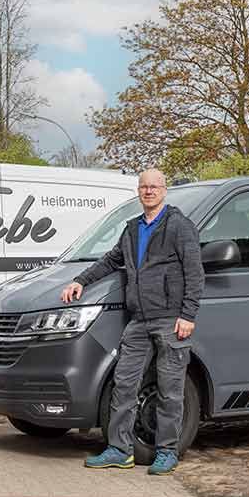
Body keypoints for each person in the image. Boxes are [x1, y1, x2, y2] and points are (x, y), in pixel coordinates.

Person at [60, 169, 203, 475]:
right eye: (144, 187)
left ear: (164, 191)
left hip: (170, 320)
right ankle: (118, 449)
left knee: (169, 389)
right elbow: (111, 260)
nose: (148, 191)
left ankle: (167, 451)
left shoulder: (179, 226)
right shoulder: (132, 229)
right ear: (138, 191)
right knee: (124, 385)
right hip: (138, 321)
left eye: (154, 187)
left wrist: (188, 314)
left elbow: (195, 272)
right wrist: (80, 281)